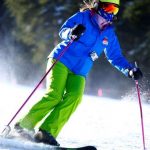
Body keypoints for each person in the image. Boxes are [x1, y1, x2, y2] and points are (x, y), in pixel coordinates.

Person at [14, 0, 143, 146]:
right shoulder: (84, 17)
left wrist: (129, 69)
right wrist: (72, 32)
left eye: (115, 10)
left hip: (80, 71)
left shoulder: (109, 34)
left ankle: (46, 132)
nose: (110, 13)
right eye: (108, 7)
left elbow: (115, 56)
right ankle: (23, 125)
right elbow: (64, 30)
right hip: (61, 60)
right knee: (55, 95)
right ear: (98, 5)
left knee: (75, 97)